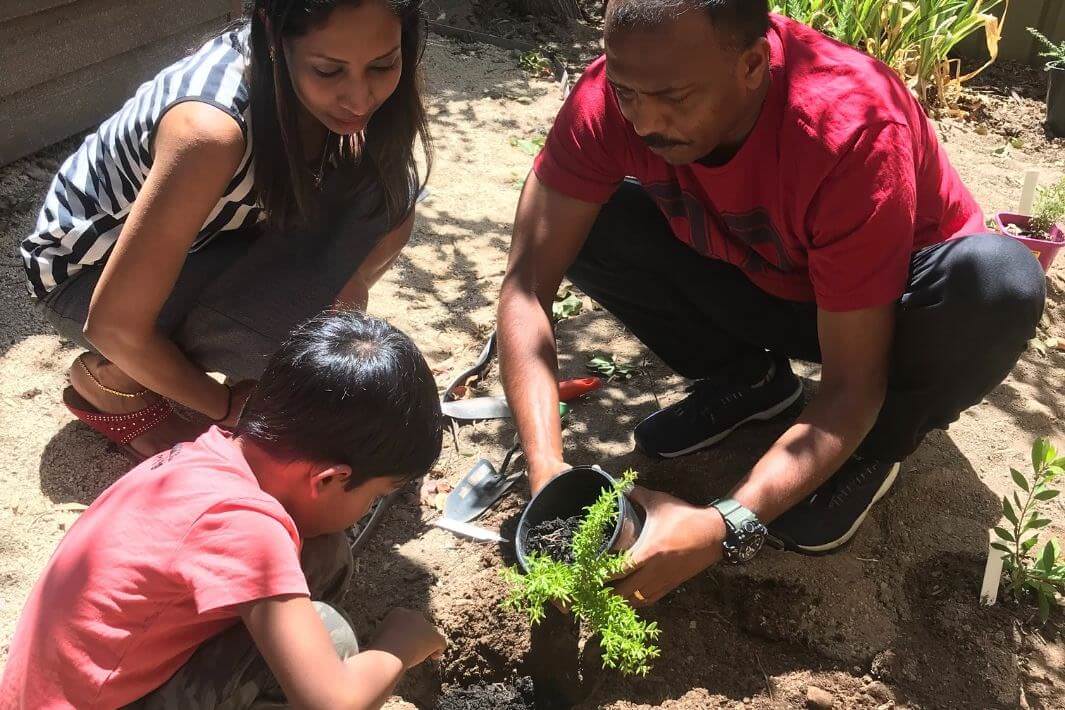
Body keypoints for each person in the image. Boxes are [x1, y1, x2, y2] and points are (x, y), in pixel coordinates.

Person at [498, 0, 1046, 606]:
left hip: (897, 308)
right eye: (629, 93)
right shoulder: (614, 99)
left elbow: (852, 384)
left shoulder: (848, 127)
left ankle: (879, 446)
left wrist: (724, 524)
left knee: (999, 281)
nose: (646, 120)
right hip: (768, 279)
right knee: (583, 223)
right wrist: (547, 471)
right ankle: (750, 381)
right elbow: (526, 286)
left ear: (753, 63)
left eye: (675, 98)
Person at [21, 0, 432, 460]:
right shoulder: (209, 132)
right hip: (88, 273)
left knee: (391, 198)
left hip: (209, 233)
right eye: (328, 71)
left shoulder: (303, 93)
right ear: (274, 40)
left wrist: (337, 293)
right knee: (298, 341)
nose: (360, 99)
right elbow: (113, 322)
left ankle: (242, 353)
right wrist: (222, 406)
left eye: (383, 65)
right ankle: (116, 384)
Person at [0, 310, 446, 709]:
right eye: (374, 495)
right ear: (328, 478)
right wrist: (398, 644)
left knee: (321, 553)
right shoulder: (244, 527)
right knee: (332, 636)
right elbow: (333, 702)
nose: (367, 508)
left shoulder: (207, 458)